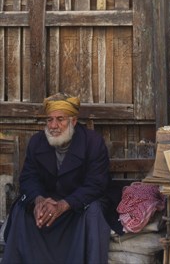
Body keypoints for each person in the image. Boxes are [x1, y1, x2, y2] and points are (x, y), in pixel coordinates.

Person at [2, 92, 111, 264]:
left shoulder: (93, 142)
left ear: (73, 121)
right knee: (21, 208)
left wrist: (64, 205)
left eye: (60, 119)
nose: (53, 125)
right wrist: (38, 200)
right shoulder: (37, 141)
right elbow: (28, 178)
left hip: (77, 206)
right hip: (48, 205)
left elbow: (97, 184)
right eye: (49, 120)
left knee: (95, 211)